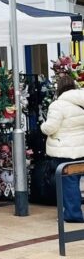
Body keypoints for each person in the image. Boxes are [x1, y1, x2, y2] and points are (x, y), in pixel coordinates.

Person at [41, 74, 84, 223]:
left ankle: (73, 214)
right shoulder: (81, 101)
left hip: (65, 151)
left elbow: (51, 128)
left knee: (69, 183)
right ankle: (73, 210)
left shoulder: (58, 105)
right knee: (77, 181)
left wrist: (43, 126)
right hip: (81, 149)